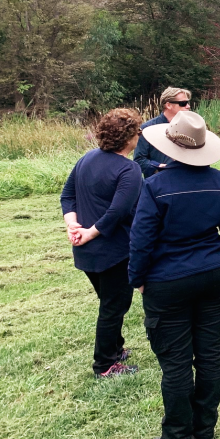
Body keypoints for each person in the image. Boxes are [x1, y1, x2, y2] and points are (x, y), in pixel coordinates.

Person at [129, 111, 220, 439]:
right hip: (212, 276)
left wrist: (138, 279)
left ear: (169, 147)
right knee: (209, 353)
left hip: (167, 281)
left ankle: (177, 437)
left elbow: (141, 239)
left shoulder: (155, 187)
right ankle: (204, 427)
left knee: (176, 362)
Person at [60, 108, 143, 377]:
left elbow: (67, 196)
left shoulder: (87, 158)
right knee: (114, 306)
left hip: (86, 251)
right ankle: (106, 365)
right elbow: (117, 212)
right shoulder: (129, 169)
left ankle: (116, 348)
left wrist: (73, 225)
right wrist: (86, 231)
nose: (139, 136)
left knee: (109, 301)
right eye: (137, 132)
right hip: (113, 251)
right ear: (128, 137)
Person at [133, 87, 191, 178]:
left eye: (188, 102)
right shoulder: (147, 129)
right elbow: (139, 160)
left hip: (185, 181)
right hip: (158, 185)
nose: (188, 106)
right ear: (168, 105)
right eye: (183, 103)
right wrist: (159, 167)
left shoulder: (191, 127)